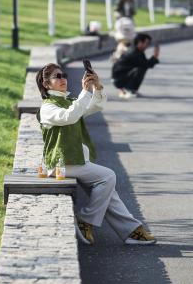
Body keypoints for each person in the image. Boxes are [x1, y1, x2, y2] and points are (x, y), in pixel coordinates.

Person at [36, 62, 156, 246]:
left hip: (72, 162)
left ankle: (131, 230)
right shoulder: (48, 107)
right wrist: (84, 92)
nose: (63, 79)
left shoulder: (68, 102)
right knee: (107, 177)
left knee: (107, 190)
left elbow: (94, 106)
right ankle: (87, 219)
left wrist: (97, 87)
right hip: (60, 164)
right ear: (46, 84)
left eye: (64, 75)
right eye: (57, 77)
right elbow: (70, 116)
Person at [112, 32, 160, 99]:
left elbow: (146, 64)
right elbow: (146, 64)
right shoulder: (134, 52)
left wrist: (155, 57)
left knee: (141, 68)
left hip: (122, 77)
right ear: (140, 42)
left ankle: (131, 90)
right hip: (119, 79)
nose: (148, 45)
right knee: (140, 69)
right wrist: (155, 56)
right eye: (147, 43)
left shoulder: (138, 51)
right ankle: (128, 90)